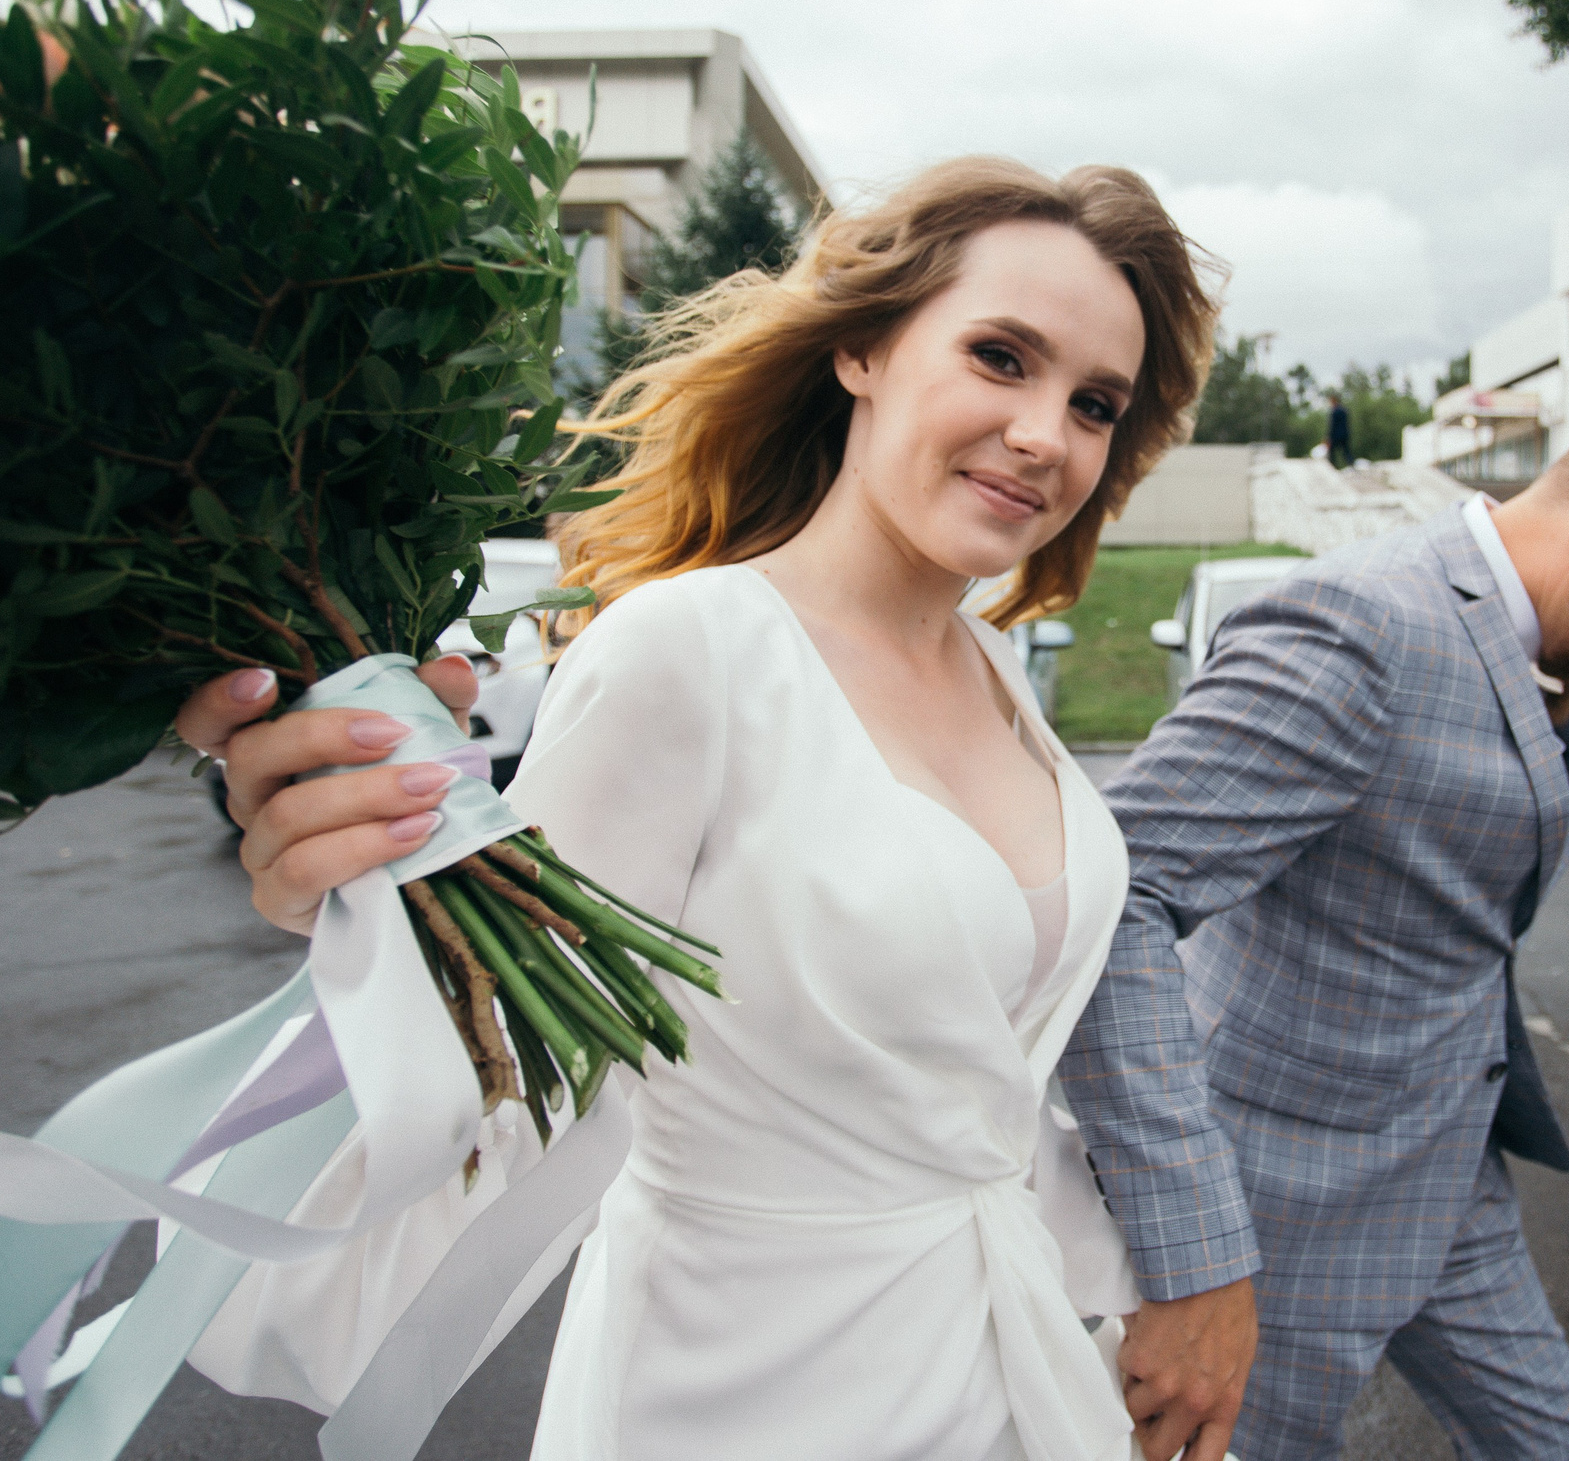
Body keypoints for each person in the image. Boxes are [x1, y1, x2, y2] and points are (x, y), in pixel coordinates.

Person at [170, 158, 1220, 1461]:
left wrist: (1171, 1270)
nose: (1045, 433)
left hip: (1010, 1366)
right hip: (743, 1389)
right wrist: (360, 887)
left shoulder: (998, 668)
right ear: (863, 349)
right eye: (1001, 356)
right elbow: (501, 1049)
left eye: (1094, 402)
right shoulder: (693, 650)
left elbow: (982, 1079)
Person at [1061, 323, 1569, 1461]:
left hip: (1448, 1175)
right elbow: (1116, 898)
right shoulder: (1361, 631)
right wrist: (1195, 1256)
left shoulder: (1530, 633)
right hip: (1281, 1216)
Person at [1324, 391, 1352, 467]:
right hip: (1345, 434)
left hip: (1336, 435)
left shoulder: (1334, 412)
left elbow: (1332, 425)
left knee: (1331, 452)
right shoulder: (1344, 410)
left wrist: (1328, 437)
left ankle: (1333, 466)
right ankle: (1350, 464)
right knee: (1346, 450)